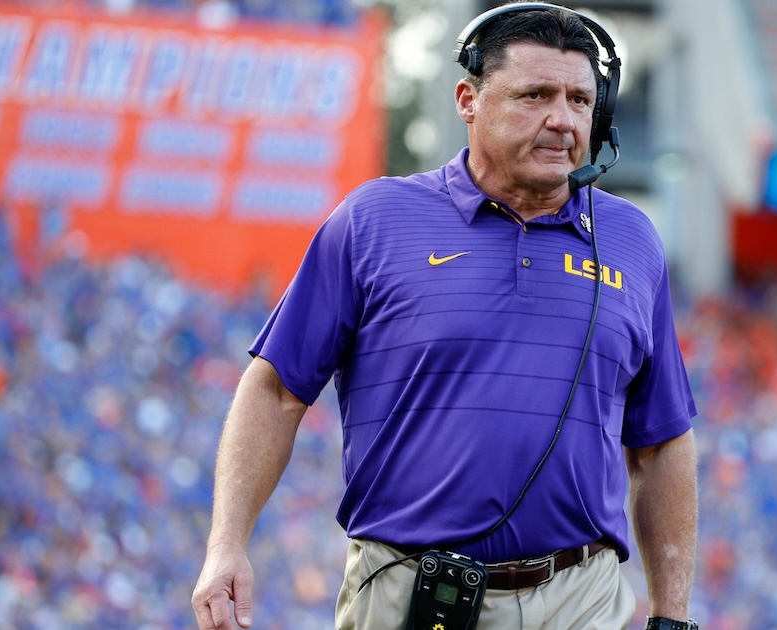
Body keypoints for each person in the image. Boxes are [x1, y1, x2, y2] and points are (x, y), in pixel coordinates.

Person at [191, 3, 699, 629]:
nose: (562, 120)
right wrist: (226, 544)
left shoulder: (633, 239)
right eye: (535, 95)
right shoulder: (375, 220)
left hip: (581, 598)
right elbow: (275, 391)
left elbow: (661, 442)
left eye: (579, 100)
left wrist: (673, 616)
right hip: (405, 590)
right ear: (468, 100)